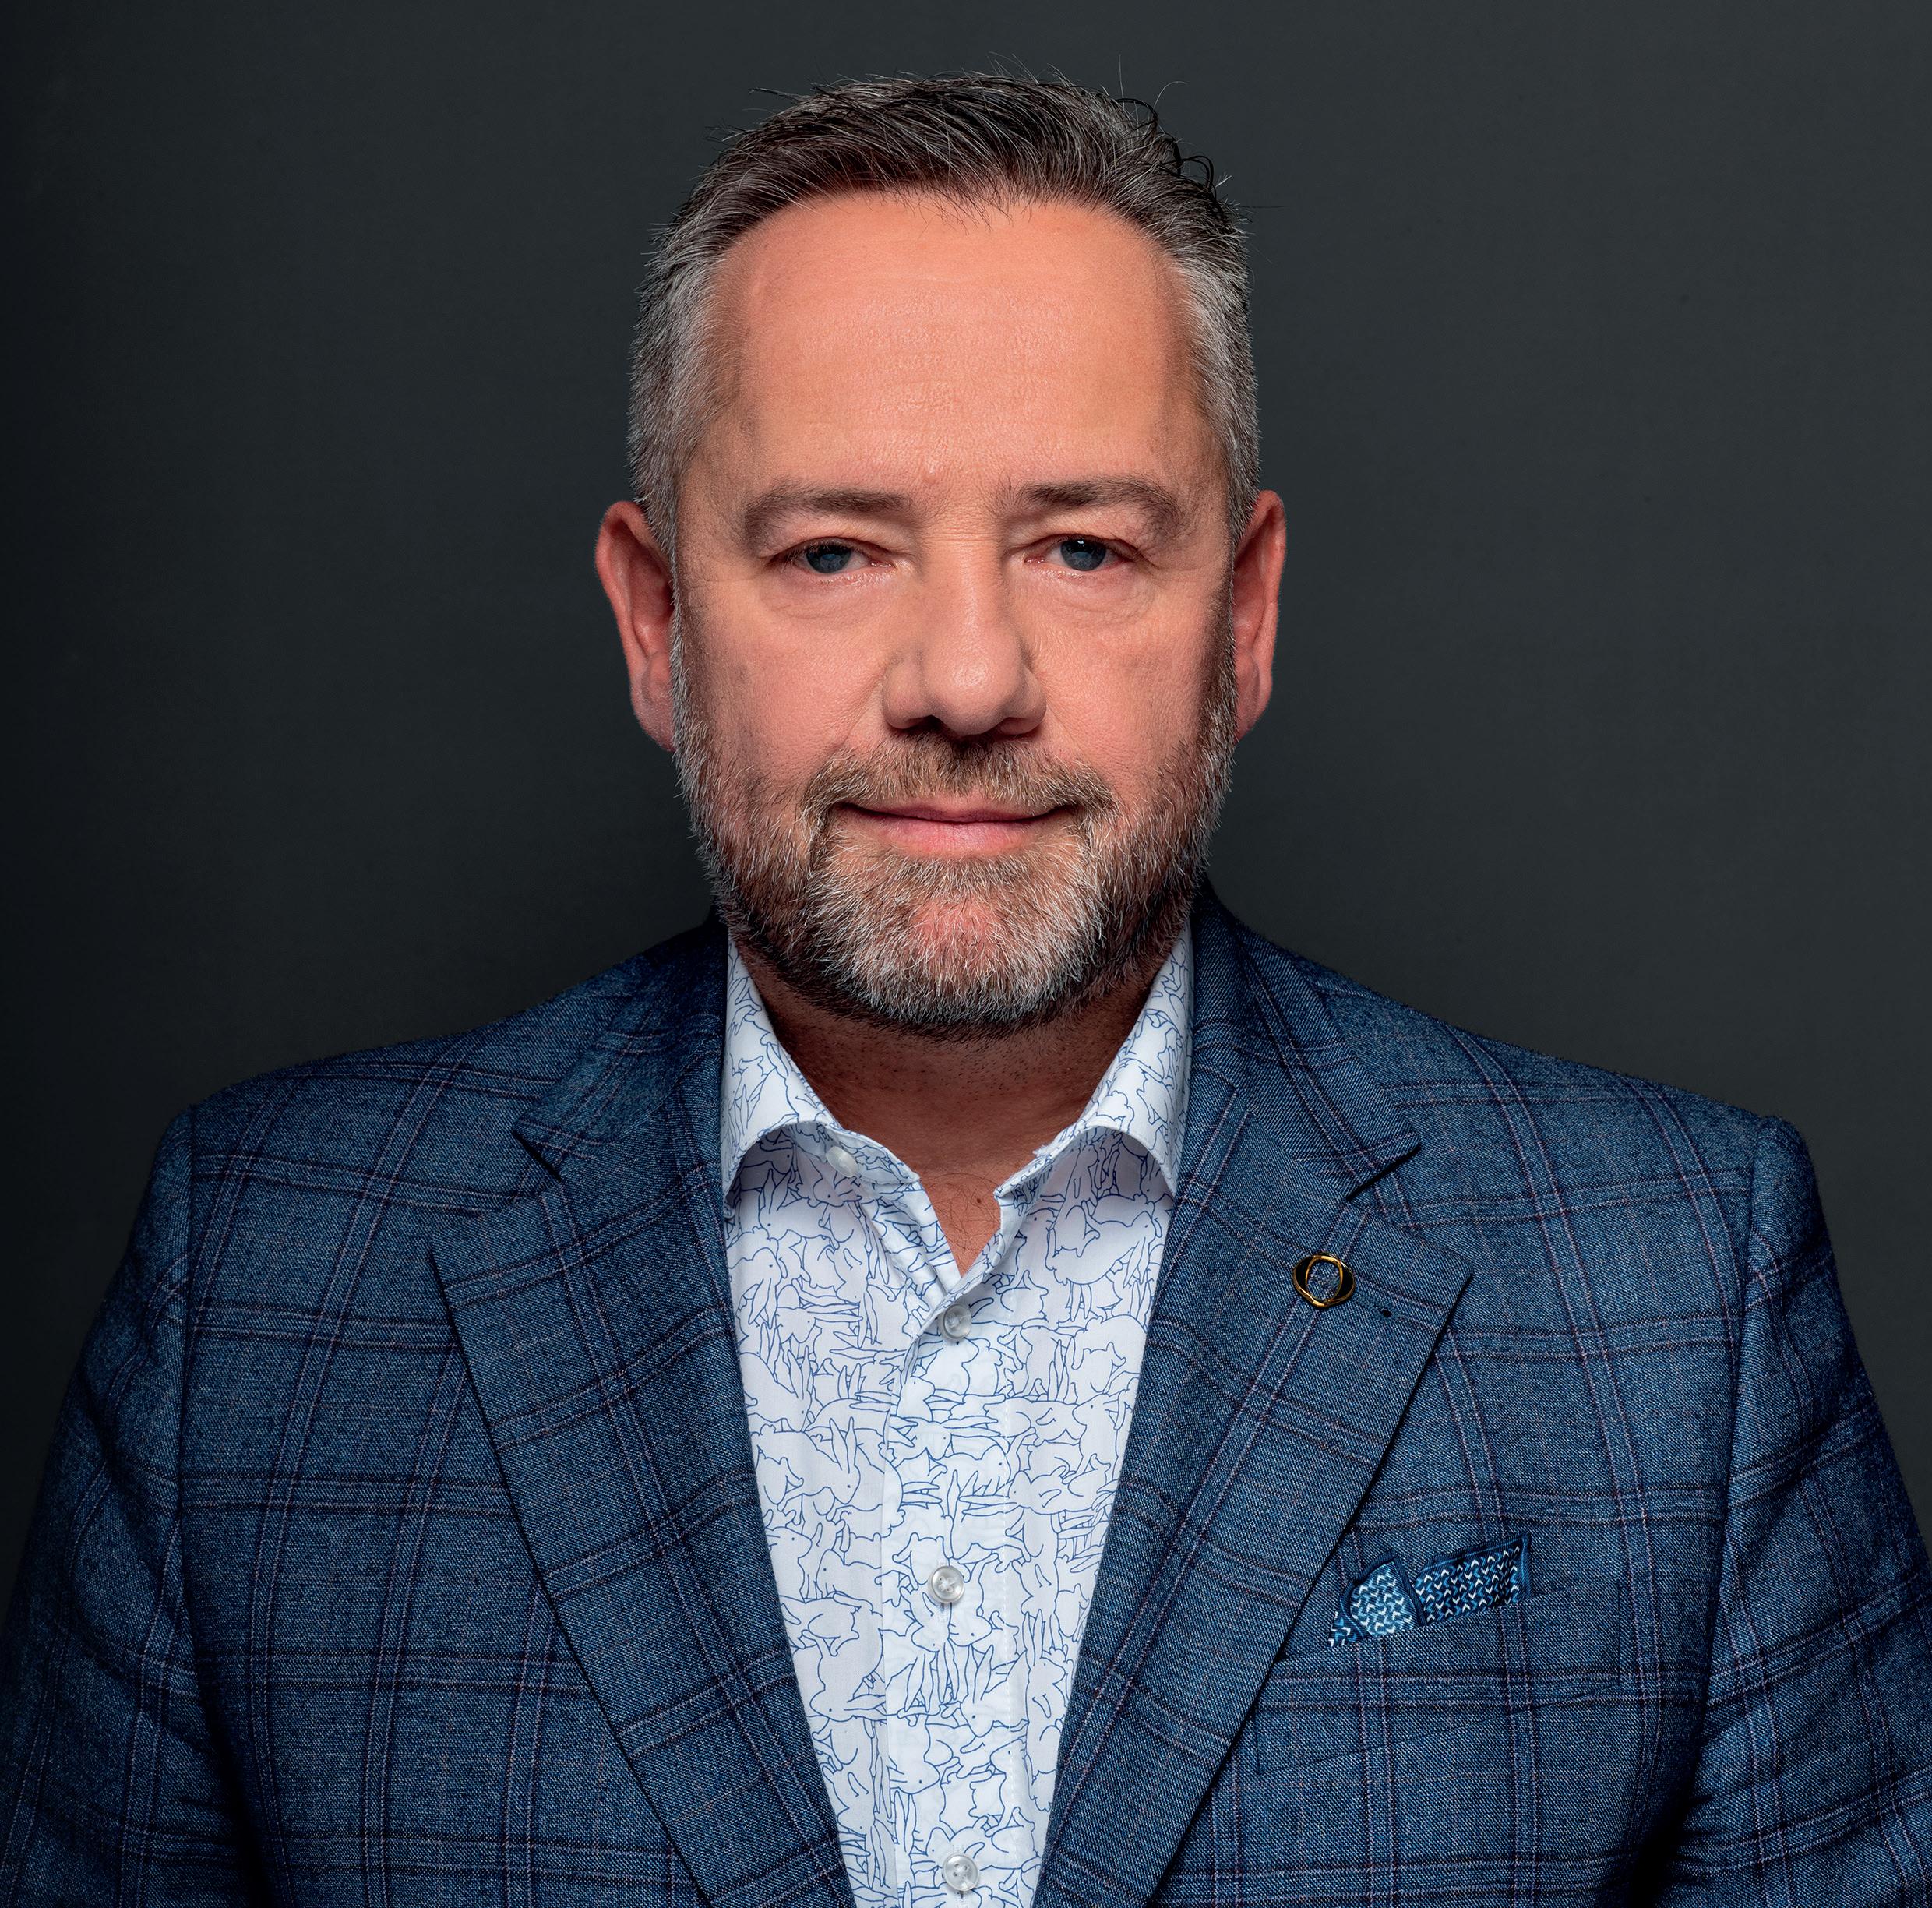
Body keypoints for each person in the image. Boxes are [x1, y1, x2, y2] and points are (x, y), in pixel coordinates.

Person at [2, 70, 1927, 1908]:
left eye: (1080, 546)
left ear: (1242, 617)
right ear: (657, 622)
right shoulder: (261, 1295)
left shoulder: (1671, 1300)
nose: (968, 678)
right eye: (835, 549)